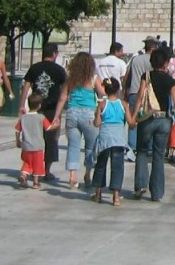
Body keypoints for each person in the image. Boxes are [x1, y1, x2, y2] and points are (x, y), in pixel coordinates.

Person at [133, 48, 175, 201]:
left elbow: (140, 97)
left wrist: (134, 117)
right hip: (163, 120)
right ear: (166, 63)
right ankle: (157, 193)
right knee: (158, 155)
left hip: (148, 117)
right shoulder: (170, 80)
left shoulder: (146, 76)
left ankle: (141, 185)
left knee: (141, 151)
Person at [51, 52, 104, 190]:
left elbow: (63, 97)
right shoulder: (93, 78)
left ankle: (72, 176)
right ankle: (87, 174)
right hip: (89, 115)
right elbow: (103, 93)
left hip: (72, 113)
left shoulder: (71, 79)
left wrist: (56, 116)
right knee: (90, 147)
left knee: (73, 146)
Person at [20, 43, 67, 181]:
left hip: (36, 107)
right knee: (51, 139)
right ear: (54, 54)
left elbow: (26, 86)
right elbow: (65, 89)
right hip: (53, 108)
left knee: (34, 138)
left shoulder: (34, 68)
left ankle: (32, 168)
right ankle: (46, 170)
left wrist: (22, 104)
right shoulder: (59, 70)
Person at [91, 77, 135, 206]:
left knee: (101, 165)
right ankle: (116, 196)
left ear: (105, 89)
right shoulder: (124, 104)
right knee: (117, 167)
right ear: (118, 90)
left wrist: (94, 119)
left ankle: (98, 193)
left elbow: (97, 123)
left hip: (105, 138)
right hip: (119, 139)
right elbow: (130, 122)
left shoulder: (102, 105)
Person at [122, 36, 159, 159]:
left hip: (134, 91)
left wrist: (125, 91)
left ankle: (132, 148)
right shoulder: (154, 60)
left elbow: (128, 76)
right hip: (148, 93)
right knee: (149, 120)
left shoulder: (135, 59)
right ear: (154, 47)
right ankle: (148, 147)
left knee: (134, 120)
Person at [15, 92, 51, 189]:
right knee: (37, 164)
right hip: (38, 146)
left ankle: (23, 175)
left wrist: (18, 140)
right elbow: (48, 128)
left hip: (26, 146)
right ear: (39, 106)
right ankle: (35, 183)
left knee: (27, 162)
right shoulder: (41, 117)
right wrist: (55, 124)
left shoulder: (23, 118)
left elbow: (17, 130)